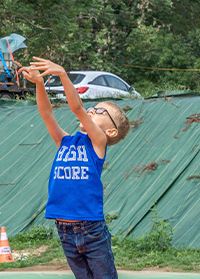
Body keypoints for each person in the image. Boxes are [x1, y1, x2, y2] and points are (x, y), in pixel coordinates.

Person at [21, 57, 131, 279]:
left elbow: (77, 107)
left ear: (110, 132)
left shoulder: (98, 143)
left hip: (90, 229)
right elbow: (47, 114)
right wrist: (39, 84)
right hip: (64, 229)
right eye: (92, 108)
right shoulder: (66, 141)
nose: (91, 111)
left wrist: (62, 75)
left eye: (99, 112)